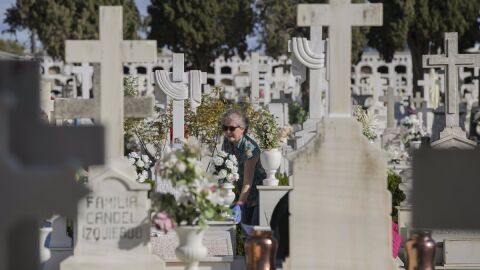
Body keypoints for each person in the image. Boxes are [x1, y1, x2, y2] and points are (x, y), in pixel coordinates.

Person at [221, 108, 266, 225]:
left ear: (242, 129)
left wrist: (239, 205)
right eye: (225, 128)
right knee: (245, 234)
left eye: (231, 128)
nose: (227, 131)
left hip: (258, 197)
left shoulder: (250, 148)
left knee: (254, 233)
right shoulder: (227, 142)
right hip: (242, 195)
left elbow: (247, 182)